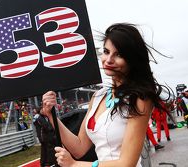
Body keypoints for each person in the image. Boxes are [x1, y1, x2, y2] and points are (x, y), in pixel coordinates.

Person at [41, 23, 169, 167]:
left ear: (132, 60)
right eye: (106, 51)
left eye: (118, 54)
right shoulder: (98, 96)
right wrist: (52, 116)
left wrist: (75, 165)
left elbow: (127, 163)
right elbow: (79, 147)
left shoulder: (139, 98)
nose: (108, 60)